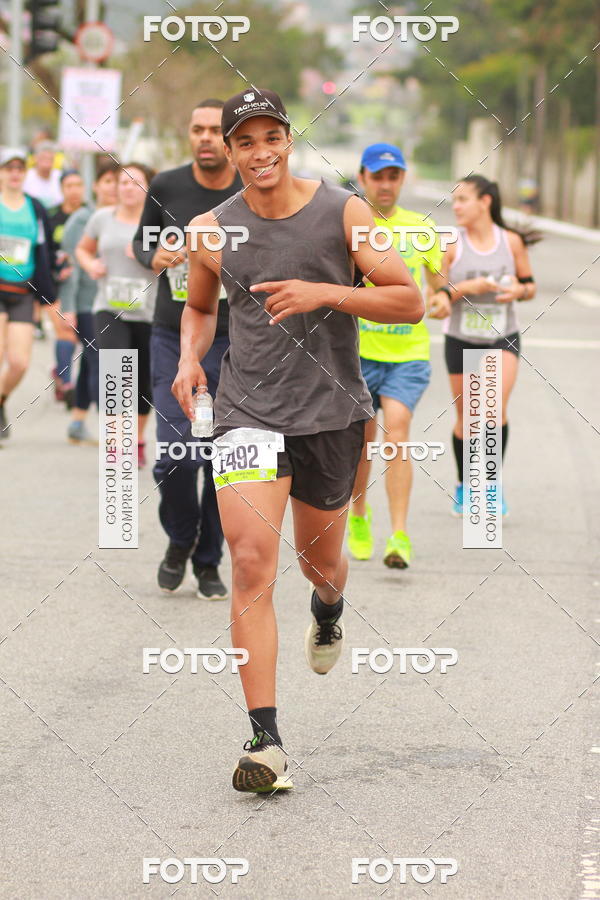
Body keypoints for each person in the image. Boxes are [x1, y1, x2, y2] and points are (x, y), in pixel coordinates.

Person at [172, 89, 423, 792]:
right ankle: (266, 742)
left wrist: (326, 293)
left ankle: (329, 607)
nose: (260, 153)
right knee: (252, 562)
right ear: (228, 149)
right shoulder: (211, 229)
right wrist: (192, 357)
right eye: (244, 141)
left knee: (321, 562)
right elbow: (197, 308)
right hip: (246, 409)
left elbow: (409, 299)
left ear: (289, 139)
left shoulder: (343, 210)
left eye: (270, 138)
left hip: (331, 413)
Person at [133, 100, 242, 601]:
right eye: (195, 128)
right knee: (177, 456)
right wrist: (154, 254)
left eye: (213, 130)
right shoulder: (167, 185)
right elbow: (142, 242)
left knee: (221, 457)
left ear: (228, 138)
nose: (203, 137)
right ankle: (181, 538)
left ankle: (208, 561)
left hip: (235, 343)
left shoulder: (250, 191)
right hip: (172, 337)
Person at [346, 143, 449, 568]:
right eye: (378, 176)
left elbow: (438, 285)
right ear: (364, 178)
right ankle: (358, 513)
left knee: (397, 436)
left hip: (408, 352)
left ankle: (400, 536)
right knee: (362, 443)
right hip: (358, 354)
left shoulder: (422, 227)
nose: (386, 185)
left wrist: (442, 300)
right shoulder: (350, 223)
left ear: (402, 179)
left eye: (393, 176)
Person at [429, 174, 539, 516]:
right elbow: (437, 297)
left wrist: (518, 291)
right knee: (468, 419)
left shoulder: (511, 242)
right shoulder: (450, 245)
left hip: (501, 336)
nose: (456, 206)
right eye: (455, 200)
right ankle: (465, 484)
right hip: (461, 338)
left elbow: (529, 284)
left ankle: (489, 486)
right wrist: (464, 289)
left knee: (490, 412)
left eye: (463, 199)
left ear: (485, 202)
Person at [76, 162, 157, 466]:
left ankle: (136, 440)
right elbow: (84, 250)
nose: (127, 188)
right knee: (115, 369)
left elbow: (173, 260)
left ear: (148, 188)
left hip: (148, 311)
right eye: (122, 182)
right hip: (109, 307)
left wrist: (147, 256)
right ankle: (114, 442)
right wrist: (90, 265)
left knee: (143, 382)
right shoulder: (101, 219)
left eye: (135, 182)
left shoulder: (155, 224)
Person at [0, 148, 56, 439]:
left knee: (20, 362)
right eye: (8, 168)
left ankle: (1, 400)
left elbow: (44, 250)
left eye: (20, 168)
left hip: (22, 291)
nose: (14, 173)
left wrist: (48, 293)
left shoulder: (34, 207)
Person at [61, 162, 119, 443]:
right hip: (85, 303)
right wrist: (68, 306)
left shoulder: (123, 218)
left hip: (114, 302)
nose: (112, 187)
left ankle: (77, 421)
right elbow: (69, 266)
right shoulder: (81, 220)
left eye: (117, 181)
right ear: (95, 186)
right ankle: (111, 429)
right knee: (102, 359)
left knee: (90, 359)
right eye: (107, 181)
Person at [48, 169, 86, 406]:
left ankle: (61, 371)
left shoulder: (90, 214)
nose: (74, 190)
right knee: (67, 330)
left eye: (78, 185)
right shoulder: (51, 217)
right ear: (62, 189)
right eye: (69, 185)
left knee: (84, 336)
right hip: (56, 286)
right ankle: (67, 384)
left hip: (85, 285)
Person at [23, 141, 62, 209]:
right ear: (35, 158)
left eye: (50, 158)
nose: (47, 161)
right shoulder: (25, 177)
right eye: (43, 158)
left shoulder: (60, 176)